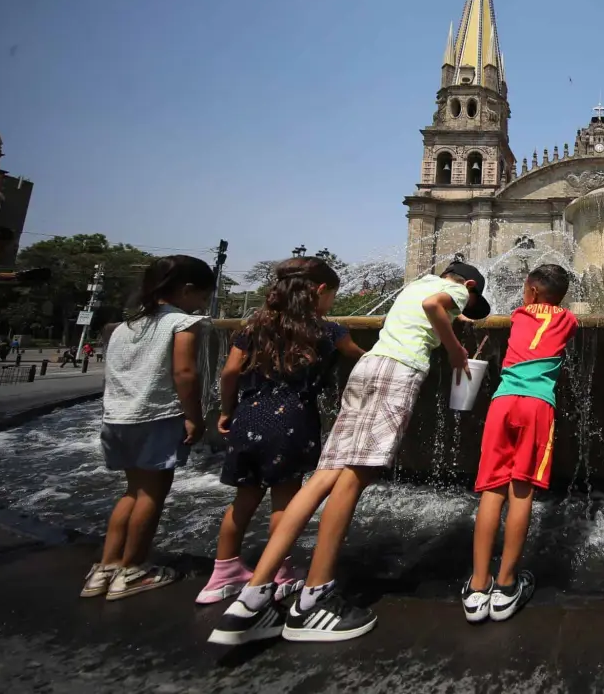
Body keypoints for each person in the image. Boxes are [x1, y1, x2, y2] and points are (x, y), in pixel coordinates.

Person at [209, 259, 491, 646]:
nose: (463, 305)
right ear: (469, 285)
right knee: (354, 479)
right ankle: (315, 598)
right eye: (468, 300)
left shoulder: (414, 285)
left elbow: (424, 307)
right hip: (397, 373)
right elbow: (435, 308)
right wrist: (456, 350)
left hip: (369, 367)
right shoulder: (454, 290)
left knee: (325, 476)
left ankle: (253, 595)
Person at [196, 257, 365, 605]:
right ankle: (281, 573)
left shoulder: (253, 325)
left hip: (248, 414)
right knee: (284, 503)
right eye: (332, 294)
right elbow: (362, 357)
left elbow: (229, 371)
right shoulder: (327, 330)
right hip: (293, 418)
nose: (332, 302)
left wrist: (227, 409)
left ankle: (222, 573)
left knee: (243, 499)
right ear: (319, 291)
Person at [80, 255, 214, 601]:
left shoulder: (126, 326)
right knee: (152, 495)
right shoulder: (183, 324)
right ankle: (134, 569)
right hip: (157, 417)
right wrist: (195, 417)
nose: (202, 304)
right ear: (186, 291)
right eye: (202, 296)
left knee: (131, 492)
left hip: (118, 418)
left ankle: (106, 568)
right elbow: (185, 374)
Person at [463, 264, 578, 623]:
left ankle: (478, 586)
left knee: (491, 492)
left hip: (503, 402)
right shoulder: (568, 321)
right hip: (538, 407)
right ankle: (506, 585)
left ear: (529, 293)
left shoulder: (519, 314)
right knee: (521, 491)